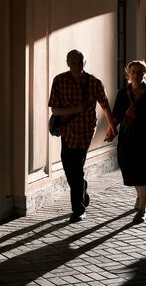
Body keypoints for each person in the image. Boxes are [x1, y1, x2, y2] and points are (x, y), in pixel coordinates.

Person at [48, 49, 117, 223]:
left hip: (85, 131)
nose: (78, 65)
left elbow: (105, 106)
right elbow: (54, 109)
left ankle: (78, 210)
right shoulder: (59, 80)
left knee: (76, 168)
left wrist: (113, 127)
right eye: (74, 62)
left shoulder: (94, 83)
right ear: (68, 63)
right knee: (68, 166)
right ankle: (83, 188)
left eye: (81, 62)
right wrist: (76, 109)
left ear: (85, 63)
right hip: (67, 131)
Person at [106, 60, 146, 223]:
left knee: (145, 171)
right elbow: (117, 117)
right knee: (129, 168)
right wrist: (111, 130)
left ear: (145, 74)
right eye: (133, 71)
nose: (136, 74)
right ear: (128, 73)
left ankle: (142, 209)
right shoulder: (122, 94)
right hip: (128, 137)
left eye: (140, 71)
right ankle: (140, 196)